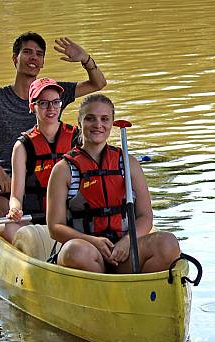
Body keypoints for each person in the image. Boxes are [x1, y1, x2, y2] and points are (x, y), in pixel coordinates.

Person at [0, 32, 107, 219]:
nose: (34, 58)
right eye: (28, 52)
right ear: (15, 58)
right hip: (7, 176)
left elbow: (99, 83)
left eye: (39, 54)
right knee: (0, 212)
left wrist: (85, 59)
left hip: (48, 174)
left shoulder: (53, 92)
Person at [46, 94, 181, 274]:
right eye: (90, 118)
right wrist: (93, 241)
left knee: (168, 243)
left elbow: (145, 216)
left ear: (112, 123)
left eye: (104, 119)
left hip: (124, 251)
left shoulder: (128, 163)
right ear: (79, 123)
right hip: (86, 252)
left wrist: (128, 241)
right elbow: (55, 228)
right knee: (75, 251)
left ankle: (139, 290)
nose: (98, 125)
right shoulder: (63, 169)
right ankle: (103, 287)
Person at [0, 78, 80, 243]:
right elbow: (16, 196)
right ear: (32, 107)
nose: (51, 108)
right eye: (43, 103)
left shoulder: (78, 139)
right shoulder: (22, 147)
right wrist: (15, 209)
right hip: (37, 219)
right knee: (7, 228)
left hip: (72, 218)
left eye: (55, 102)